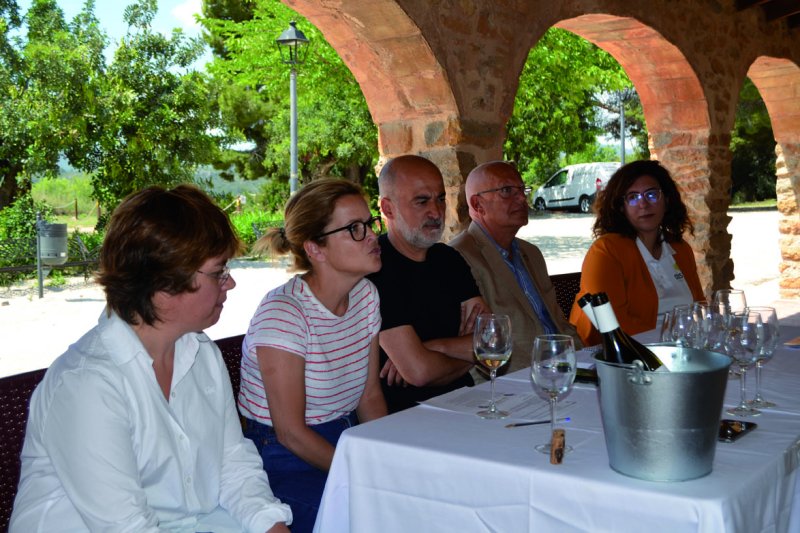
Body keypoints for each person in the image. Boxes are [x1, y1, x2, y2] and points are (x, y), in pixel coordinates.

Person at [10, 185, 291, 533]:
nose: (230, 283)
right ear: (164, 282)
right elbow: (126, 527)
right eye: (219, 272)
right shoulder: (89, 384)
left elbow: (232, 463)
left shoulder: (200, 353)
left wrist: (272, 526)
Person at [239, 178, 386, 533]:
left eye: (370, 224)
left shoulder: (365, 296)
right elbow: (290, 432)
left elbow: (369, 396)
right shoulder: (285, 313)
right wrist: (360, 474)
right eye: (354, 229)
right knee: (370, 516)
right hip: (281, 456)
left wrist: (384, 459)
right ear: (315, 249)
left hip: (344, 438)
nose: (372, 236)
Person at [367, 155, 487, 413]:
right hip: (405, 415)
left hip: (466, 401)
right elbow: (420, 373)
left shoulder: (448, 259)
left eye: (441, 198)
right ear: (388, 209)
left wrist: (434, 347)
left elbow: (489, 342)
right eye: (421, 201)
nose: (436, 211)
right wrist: (467, 350)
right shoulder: (375, 268)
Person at [450, 161, 581, 374]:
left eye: (522, 189)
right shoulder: (459, 257)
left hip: (562, 368)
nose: (522, 198)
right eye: (507, 191)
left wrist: (582, 359)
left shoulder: (531, 253)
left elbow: (558, 321)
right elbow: (481, 346)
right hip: (512, 380)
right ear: (477, 204)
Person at [569, 159, 704, 346]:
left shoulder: (680, 249)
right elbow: (615, 327)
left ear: (667, 199)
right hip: (624, 357)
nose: (643, 204)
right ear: (621, 207)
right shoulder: (607, 251)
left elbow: (699, 308)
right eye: (632, 197)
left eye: (652, 195)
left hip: (680, 350)